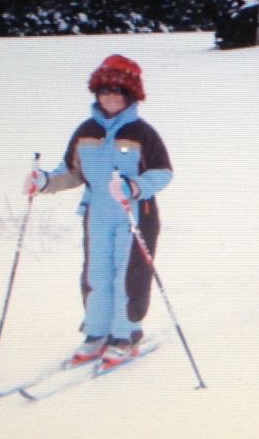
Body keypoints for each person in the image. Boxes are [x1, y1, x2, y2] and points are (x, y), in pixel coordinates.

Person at [24, 54, 173, 368]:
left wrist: (135, 186)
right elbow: (72, 172)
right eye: (104, 91)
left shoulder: (142, 132)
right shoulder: (85, 131)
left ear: (131, 94)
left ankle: (125, 333)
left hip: (135, 214)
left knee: (127, 276)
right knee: (96, 275)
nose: (111, 97)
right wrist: (45, 181)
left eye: (118, 91)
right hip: (98, 214)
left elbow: (162, 172)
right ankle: (96, 332)